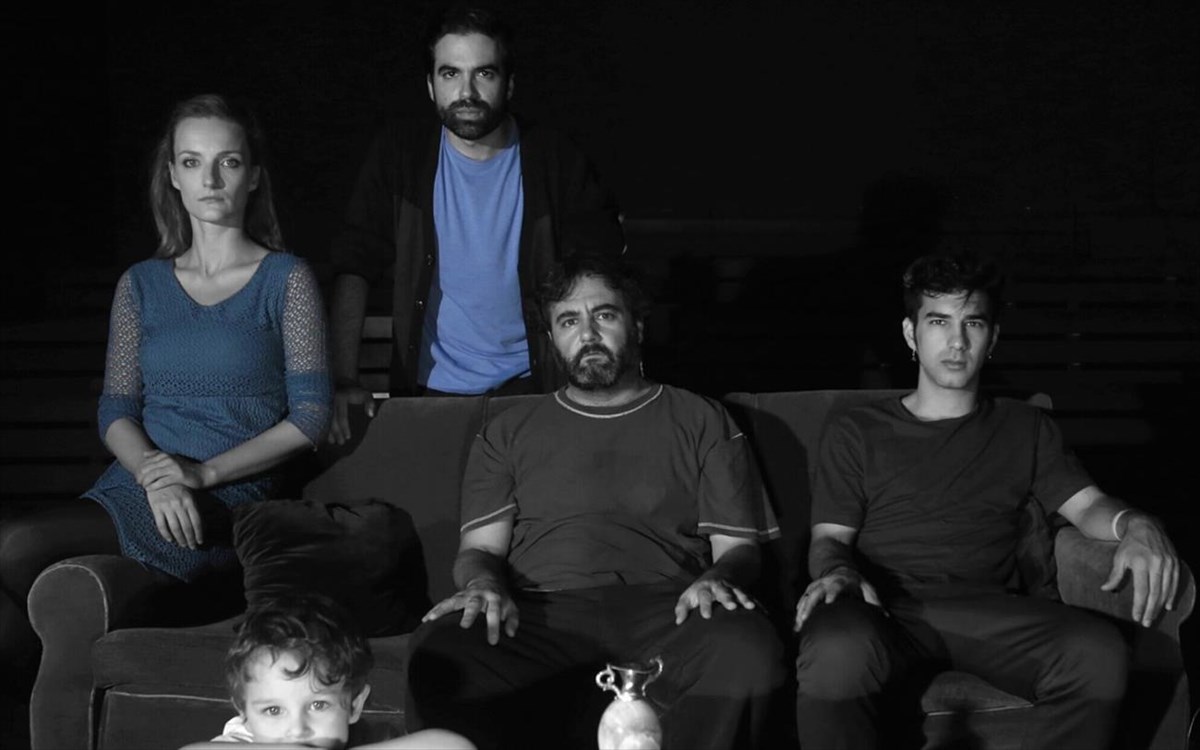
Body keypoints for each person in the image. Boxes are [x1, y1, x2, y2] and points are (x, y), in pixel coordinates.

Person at [0, 93, 332, 692]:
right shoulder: (142, 284)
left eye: (229, 162)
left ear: (254, 176)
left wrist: (199, 474)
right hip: (140, 485)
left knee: (19, 545)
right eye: (192, 162)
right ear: (173, 175)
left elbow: (310, 418)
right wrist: (156, 473)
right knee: (17, 552)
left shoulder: (286, 279)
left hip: (227, 494)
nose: (211, 179)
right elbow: (116, 409)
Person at [792, 251, 1180, 749]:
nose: (957, 341)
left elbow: (1087, 507)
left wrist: (1137, 524)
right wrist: (837, 573)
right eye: (938, 322)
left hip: (989, 611)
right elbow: (829, 537)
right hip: (886, 610)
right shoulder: (857, 429)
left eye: (972, 323)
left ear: (992, 338)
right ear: (911, 333)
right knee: (835, 646)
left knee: (1097, 651)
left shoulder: (1025, 426)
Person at [404, 255, 785, 750]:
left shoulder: (702, 418)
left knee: (749, 646)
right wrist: (482, 584)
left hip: (669, 610)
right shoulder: (507, 432)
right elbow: (479, 550)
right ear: (553, 339)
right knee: (442, 649)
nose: (587, 334)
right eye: (568, 321)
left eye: (604, 315)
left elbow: (739, 550)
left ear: (637, 327)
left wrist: (719, 577)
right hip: (540, 615)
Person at [327, 3, 624, 444]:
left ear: (509, 83)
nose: (466, 91)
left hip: (536, 387)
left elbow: (598, 276)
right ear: (431, 85)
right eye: (450, 74)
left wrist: (599, 387)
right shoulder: (400, 156)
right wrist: (343, 380)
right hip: (430, 391)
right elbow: (356, 263)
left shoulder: (555, 159)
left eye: (484, 73)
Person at [202, 592, 473, 749]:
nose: (297, 730)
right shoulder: (242, 741)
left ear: (354, 705)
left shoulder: (373, 739)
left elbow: (454, 746)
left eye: (318, 705)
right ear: (244, 713)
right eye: (273, 710)